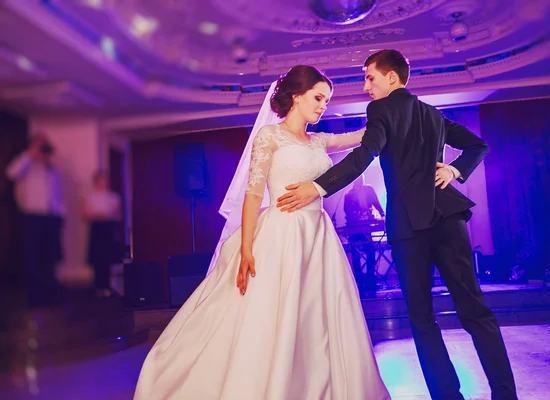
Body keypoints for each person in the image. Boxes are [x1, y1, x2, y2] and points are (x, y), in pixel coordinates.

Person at [134, 66, 390, 400]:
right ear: (296, 96)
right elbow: (254, 194)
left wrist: (387, 106)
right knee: (273, 314)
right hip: (282, 233)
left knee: (315, 316)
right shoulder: (270, 137)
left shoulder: (320, 141)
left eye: (326, 101)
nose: (322, 106)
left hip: (318, 236)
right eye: (317, 98)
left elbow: (361, 136)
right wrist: (246, 248)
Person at [276, 50, 518, 400]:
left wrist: (318, 187)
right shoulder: (433, 113)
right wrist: (455, 170)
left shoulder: (381, 109)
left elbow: (364, 154)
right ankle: (506, 395)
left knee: (422, 320)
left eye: (370, 78)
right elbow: (478, 146)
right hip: (449, 218)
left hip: (410, 227)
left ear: (392, 78)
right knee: (476, 311)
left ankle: (449, 397)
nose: (366, 87)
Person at [5, 134, 65, 308]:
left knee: (49, 257)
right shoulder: (26, 165)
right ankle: (34, 297)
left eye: (44, 145)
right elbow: (11, 172)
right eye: (40, 145)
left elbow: (57, 194)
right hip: (32, 217)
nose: (43, 148)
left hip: (51, 218)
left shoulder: (52, 169)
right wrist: (30, 153)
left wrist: (61, 215)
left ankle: (49, 296)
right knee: (32, 257)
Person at [82, 170, 121, 298]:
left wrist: (106, 216)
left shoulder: (113, 197)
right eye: (100, 180)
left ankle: (108, 286)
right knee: (97, 257)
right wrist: (99, 215)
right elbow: (85, 215)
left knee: (108, 257)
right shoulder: (90, 197)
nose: (103, 183)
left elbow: (118, 215)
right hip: (97, 228)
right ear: (96, 182)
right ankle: (98, 286)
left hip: (108, 228)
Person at [343, 174, 384, 292]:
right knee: (356, 254)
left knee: (370, 251)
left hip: (366, 226)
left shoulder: (368, 190)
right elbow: (347, 212)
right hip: (355, 227)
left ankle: (371, 279)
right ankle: (359, 281)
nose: (360, 180)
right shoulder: (348, 195)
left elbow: (376, 202)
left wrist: (382, 216)